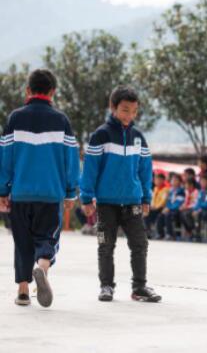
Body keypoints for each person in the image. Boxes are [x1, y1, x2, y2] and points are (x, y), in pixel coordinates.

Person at [0, 69, 79, 308]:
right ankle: (42, 268)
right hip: (50, 194)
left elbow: (5, 158)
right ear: (53, 92)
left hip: (20, 194)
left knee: (22, 243)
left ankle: (23, 292)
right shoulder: (61, 121)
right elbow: (71, 160)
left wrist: (2, 190)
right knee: (48, 238)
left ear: (28, 90)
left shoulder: (15, 118)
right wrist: (70, 192)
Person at [80, 86, 161, 303]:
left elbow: (145, 170)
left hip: (133, 201)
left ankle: (139, 287)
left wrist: (146, 198)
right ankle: (106, 286)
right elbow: (90, 169)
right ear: (113, 107)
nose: (129, 116)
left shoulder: (138, 137)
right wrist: (86, 197)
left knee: (140, 244)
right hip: (106, 203)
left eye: (134, 111)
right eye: (125, 110)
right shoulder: (101, 135)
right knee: (105, 245)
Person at [145, 172, 168, 238]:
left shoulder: (166, 189)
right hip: (154, 208)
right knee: (145, 214)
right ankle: (148, 232)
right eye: (155, 179)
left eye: (158, 179)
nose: (156, 181)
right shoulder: (155, 188)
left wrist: (156, 207)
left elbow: (163, 201)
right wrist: (152, 206)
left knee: (158, 216)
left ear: (162, 180)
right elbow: (153, 199)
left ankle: (160, 233)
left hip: (161, 208)